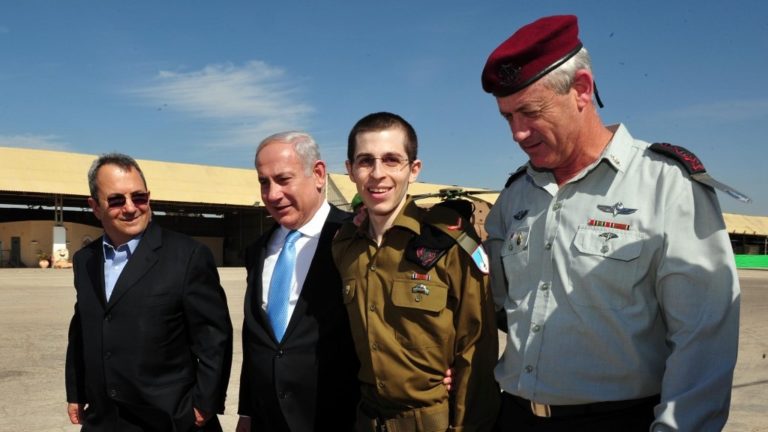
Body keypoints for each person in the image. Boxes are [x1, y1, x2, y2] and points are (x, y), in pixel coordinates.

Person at [480, 15, 740, 431]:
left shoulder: (666, 184)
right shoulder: (515, 196)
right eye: (507, 117)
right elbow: (490, 309)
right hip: (512, 416)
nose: (517, 133)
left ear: (581, 89)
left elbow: (703, 338)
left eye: (529, 111)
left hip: (616, 419)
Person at [332, 112, 500, 432]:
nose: (377, 174)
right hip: (366, 418)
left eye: (391, 160)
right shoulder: (345, 246)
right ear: (350, 170)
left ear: (414, 169)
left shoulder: (449, 242)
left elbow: (476, 350)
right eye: (365, 161)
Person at [65, 153, 233, 431]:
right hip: (104, 418)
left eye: (139, 197)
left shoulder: (188, 256)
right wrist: (77, 390)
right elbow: (82, 326)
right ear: (94, 207)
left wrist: (204, 403)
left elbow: (214, 337)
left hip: (169, 418)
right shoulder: (85, 260)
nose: (131, 208)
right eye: (116, 200)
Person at [236, 132, 360, 432]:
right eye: (264, 182)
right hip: (267, 420)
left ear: (318, 174)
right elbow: (255, 339)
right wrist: (247, 412)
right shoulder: (258, 250)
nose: (272, 194)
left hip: (336, 418)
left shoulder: (356, 238)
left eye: (283, 179)